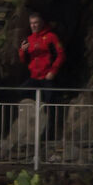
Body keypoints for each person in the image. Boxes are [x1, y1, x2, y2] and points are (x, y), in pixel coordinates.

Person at [22, 12, 66, 144]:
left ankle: (50, 134)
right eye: (31, 23)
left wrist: (53, 71)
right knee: (19, 91)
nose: (33, 25)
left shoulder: (51, 37)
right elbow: (24, 60)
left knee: (50, 103)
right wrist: (22, 51)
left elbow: (61, 54)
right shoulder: (29, 39)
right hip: (34, 76)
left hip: (47, 76)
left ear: (41, 23)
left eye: (36, 23)